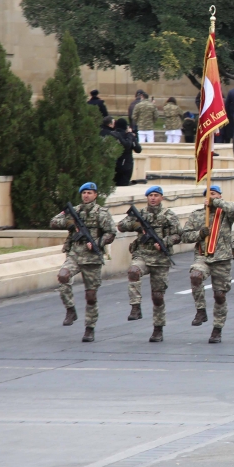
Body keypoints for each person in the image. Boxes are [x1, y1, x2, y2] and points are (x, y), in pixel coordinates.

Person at [49, 182, 116, 342]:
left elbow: (111, 233)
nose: (86, 195)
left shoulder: (102, 213)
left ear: (95, 195)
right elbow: (53, 221)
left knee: (91, 296)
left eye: (90, 193)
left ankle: (89, 328)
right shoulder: (73, 211)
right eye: (84, 192)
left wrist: (98, 242)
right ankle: (70, 309)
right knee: (63, 276)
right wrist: (69, 223)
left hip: (92, 258)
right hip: (75, 255)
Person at [117, 186, 182, 342]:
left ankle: (158, 328)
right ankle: (135, 306)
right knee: (133, 271)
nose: (153, 198)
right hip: (142, 255)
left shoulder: (168, 215)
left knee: (158, 296)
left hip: (160, 259)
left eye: (156, 195)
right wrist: (136, 226)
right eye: (150, 195)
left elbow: (178, 235)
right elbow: (121, 226)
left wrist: (165, 242)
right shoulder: (140, 214)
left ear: (161, 197)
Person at [181, 185, 234, 343]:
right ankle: (200, 310)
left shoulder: (225, 213)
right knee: (195, 276)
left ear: (220, 196)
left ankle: (217, 328)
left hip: (222, 259)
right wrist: (199, 234)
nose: (211, 197)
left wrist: (217, 203)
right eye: (208, 194)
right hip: (203, 256)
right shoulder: (197, 215)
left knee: (220, 296)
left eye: (214, 194)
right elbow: (184, 236)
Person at [111, 118, 140, 186]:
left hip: (113, 164)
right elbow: (138, 149)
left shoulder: (112, 134)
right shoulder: (128, 135)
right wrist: (131, 136)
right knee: (123, 184)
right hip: (126, 164)